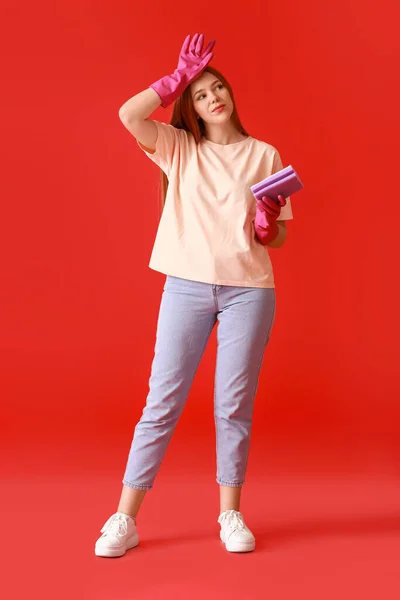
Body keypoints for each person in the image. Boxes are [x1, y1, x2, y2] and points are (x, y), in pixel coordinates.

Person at [94, 33, 293, 558]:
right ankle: (123, 519)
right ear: (193, 107)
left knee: (233, 404)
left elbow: (279, 238)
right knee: (162, 401)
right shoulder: (179, 147)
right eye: (201, 94)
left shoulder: (264, 154)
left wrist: (267, 222)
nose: (213, 98)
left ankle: (231, 513)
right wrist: (174, 79)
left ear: (231, 95)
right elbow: (128, 116)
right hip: (185, 285)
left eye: (218, 88)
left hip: (249, 290)